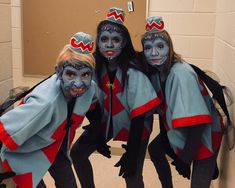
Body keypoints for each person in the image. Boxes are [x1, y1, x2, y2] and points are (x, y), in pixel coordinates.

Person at [70, 7, 161, 188]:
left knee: (132, 173)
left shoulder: (134, 73)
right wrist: (96, 134)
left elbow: (139, 116)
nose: (109, 45)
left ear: (124, 42)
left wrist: (133, 152)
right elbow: (92, 103)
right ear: (98, 41)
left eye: (115, 39)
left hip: (137, 126)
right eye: (104, 39)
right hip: (106, 121)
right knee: (77, 154)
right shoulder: (93, 69)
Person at [0, 32, 102, 188]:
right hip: (25, 152)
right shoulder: (44, 103)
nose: (78, 83)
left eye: (85, 74)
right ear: (59, 72)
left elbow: (93, 107)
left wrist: (98, 133)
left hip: (56, 145)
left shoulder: (90, 89)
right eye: (70, 74)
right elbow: (3, 131)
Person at [140, 16, 224, 188]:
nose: (154, 53)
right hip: (179, 129)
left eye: (160, 46)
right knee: (155, 150)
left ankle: (208, 165)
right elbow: (162, 107)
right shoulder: (157, 72)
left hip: (205, 135)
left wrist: (185, 159)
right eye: (148, 48)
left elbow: (199, 124)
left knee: (199, 183)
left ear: (169, 47)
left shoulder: (181, 74)